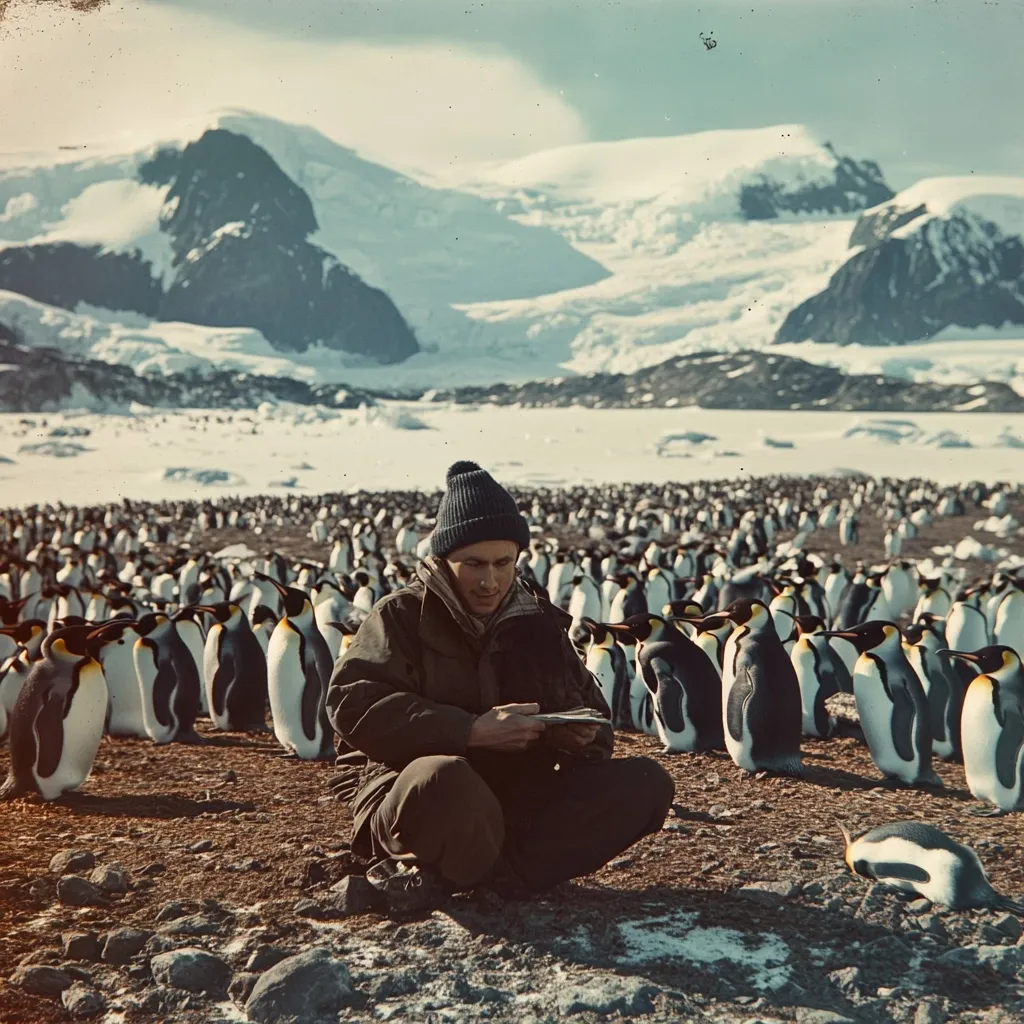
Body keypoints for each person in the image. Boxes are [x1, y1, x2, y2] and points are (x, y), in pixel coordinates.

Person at [326, 460, 675, 910]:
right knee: (443, 778)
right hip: (418, 797)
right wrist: (468, 731)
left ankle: (497, 878)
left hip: (517, 797)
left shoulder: (538, 623)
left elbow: (595, 721)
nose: (489, 581)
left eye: (502, 562)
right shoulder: (401, 617)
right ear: (443, 559)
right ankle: (463, 869)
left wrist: (575, 737)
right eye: (473, 564)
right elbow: (352, 704)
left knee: (646, 782)